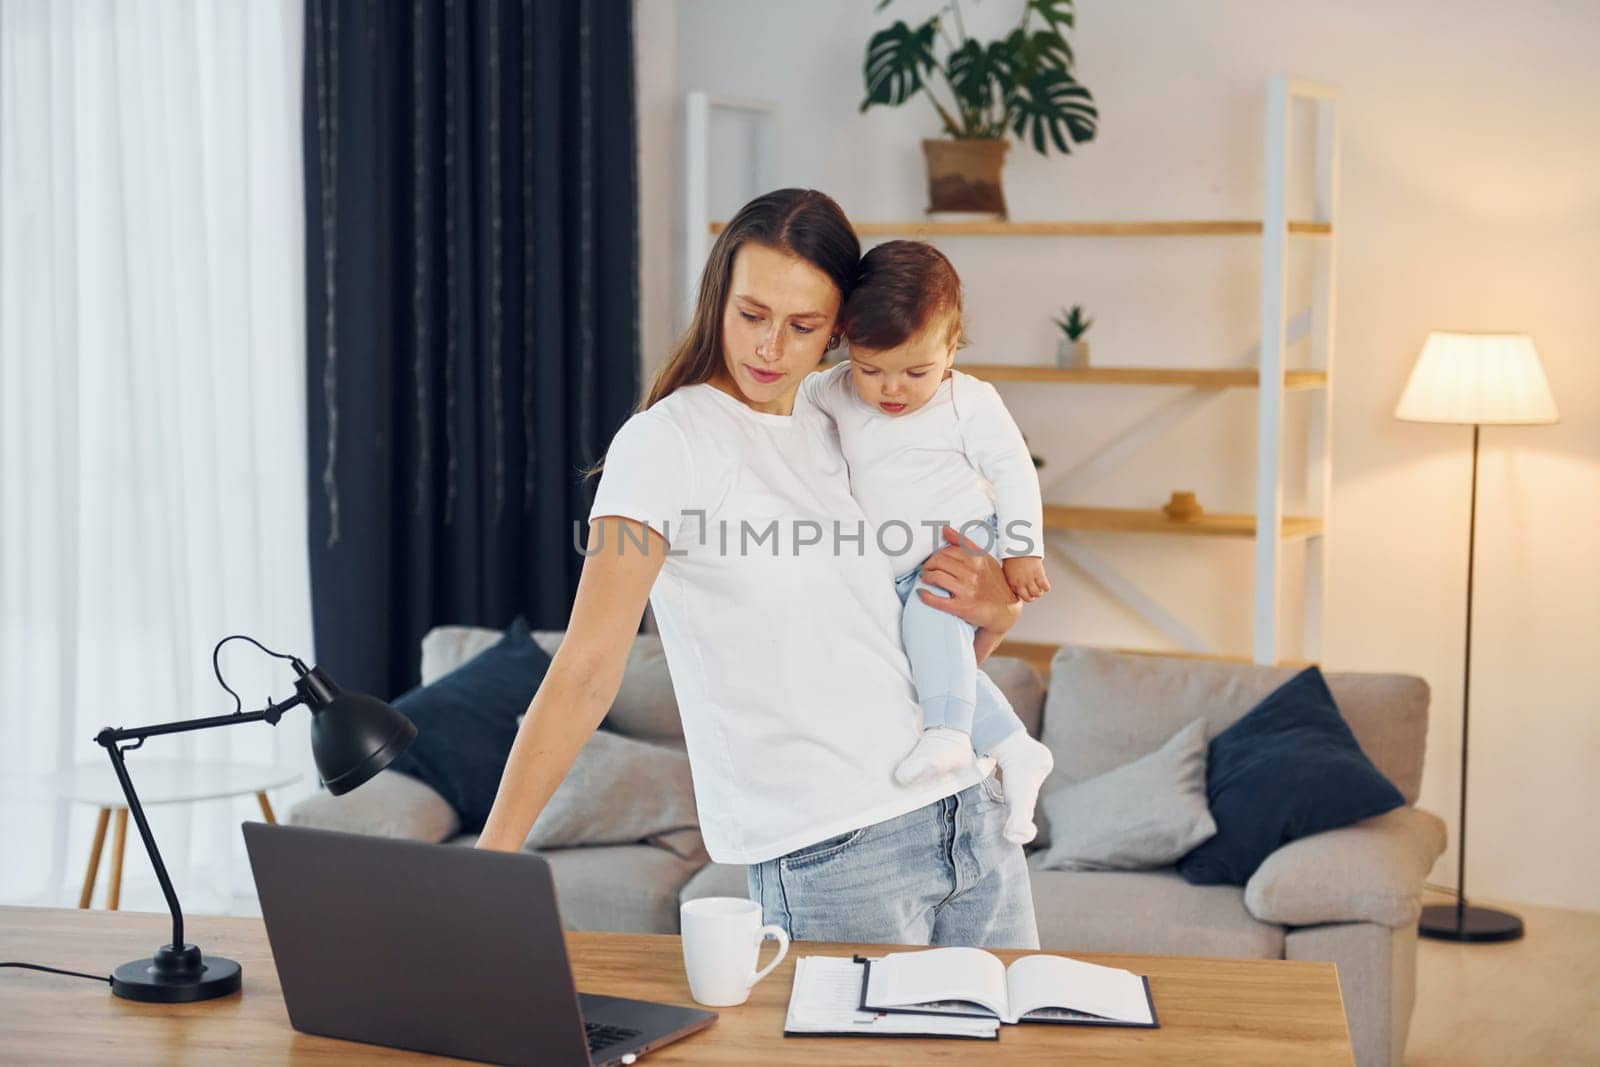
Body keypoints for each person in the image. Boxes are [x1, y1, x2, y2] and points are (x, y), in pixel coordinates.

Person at [477, 188, 1038, 949]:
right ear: (717, 300)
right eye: (751, 315)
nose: (770, 348)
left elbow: (906, 642)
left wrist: (996, 609)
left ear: (840, 328)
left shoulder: (845, 418)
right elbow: (585, 665)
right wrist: (489, 865)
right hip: (836, 852)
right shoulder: (667, 443)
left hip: (972, 815)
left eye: (803, 326)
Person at [804, 240, 1056, 844]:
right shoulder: (835, 389)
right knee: (919, 656)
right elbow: (778, 401)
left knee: (932, 617)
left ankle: (946, 735)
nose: (891, 389)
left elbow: (1013, 471)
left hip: (961, 542)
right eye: (872, 369)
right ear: (846, 345)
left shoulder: (968, 402)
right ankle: (1015, 747)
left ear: (951, 345)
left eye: (916, 371)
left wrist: (1022, 550)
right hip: (895, 566)